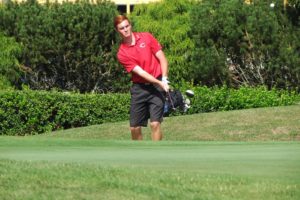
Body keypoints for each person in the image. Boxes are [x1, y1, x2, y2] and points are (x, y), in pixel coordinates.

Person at [114, 15, 170, 141]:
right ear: (118, 31)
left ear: (130, 25)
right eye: (122, 28)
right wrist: (159, 82)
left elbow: (162, 58)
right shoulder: (122, 53)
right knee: (134, 127)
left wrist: (164, 79)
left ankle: (156, 155)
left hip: (156, 87)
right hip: (140, 89)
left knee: (155, 124)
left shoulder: (146, 37)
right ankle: (140, 154)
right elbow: (141, 72)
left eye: (127, 26)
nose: (126, 30)